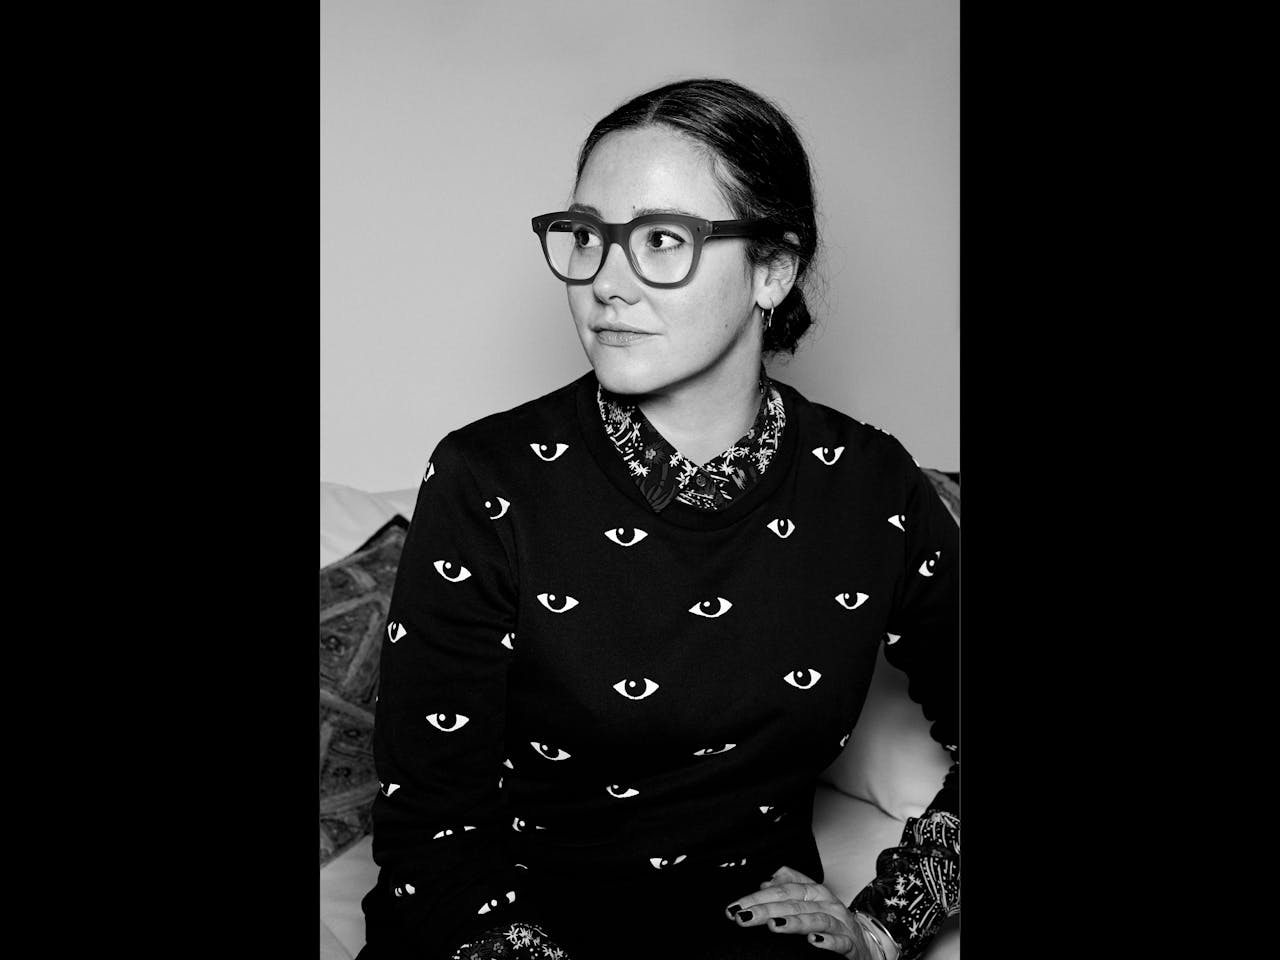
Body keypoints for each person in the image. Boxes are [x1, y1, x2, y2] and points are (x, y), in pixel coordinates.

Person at [357, 78, 958, 960]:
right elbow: (430, 831)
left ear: (773, 268)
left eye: (662, 241)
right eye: (588, 237)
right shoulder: (488, 477)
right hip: (491, 934)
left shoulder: (870, 485)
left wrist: (886, 921)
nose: (606, 282)